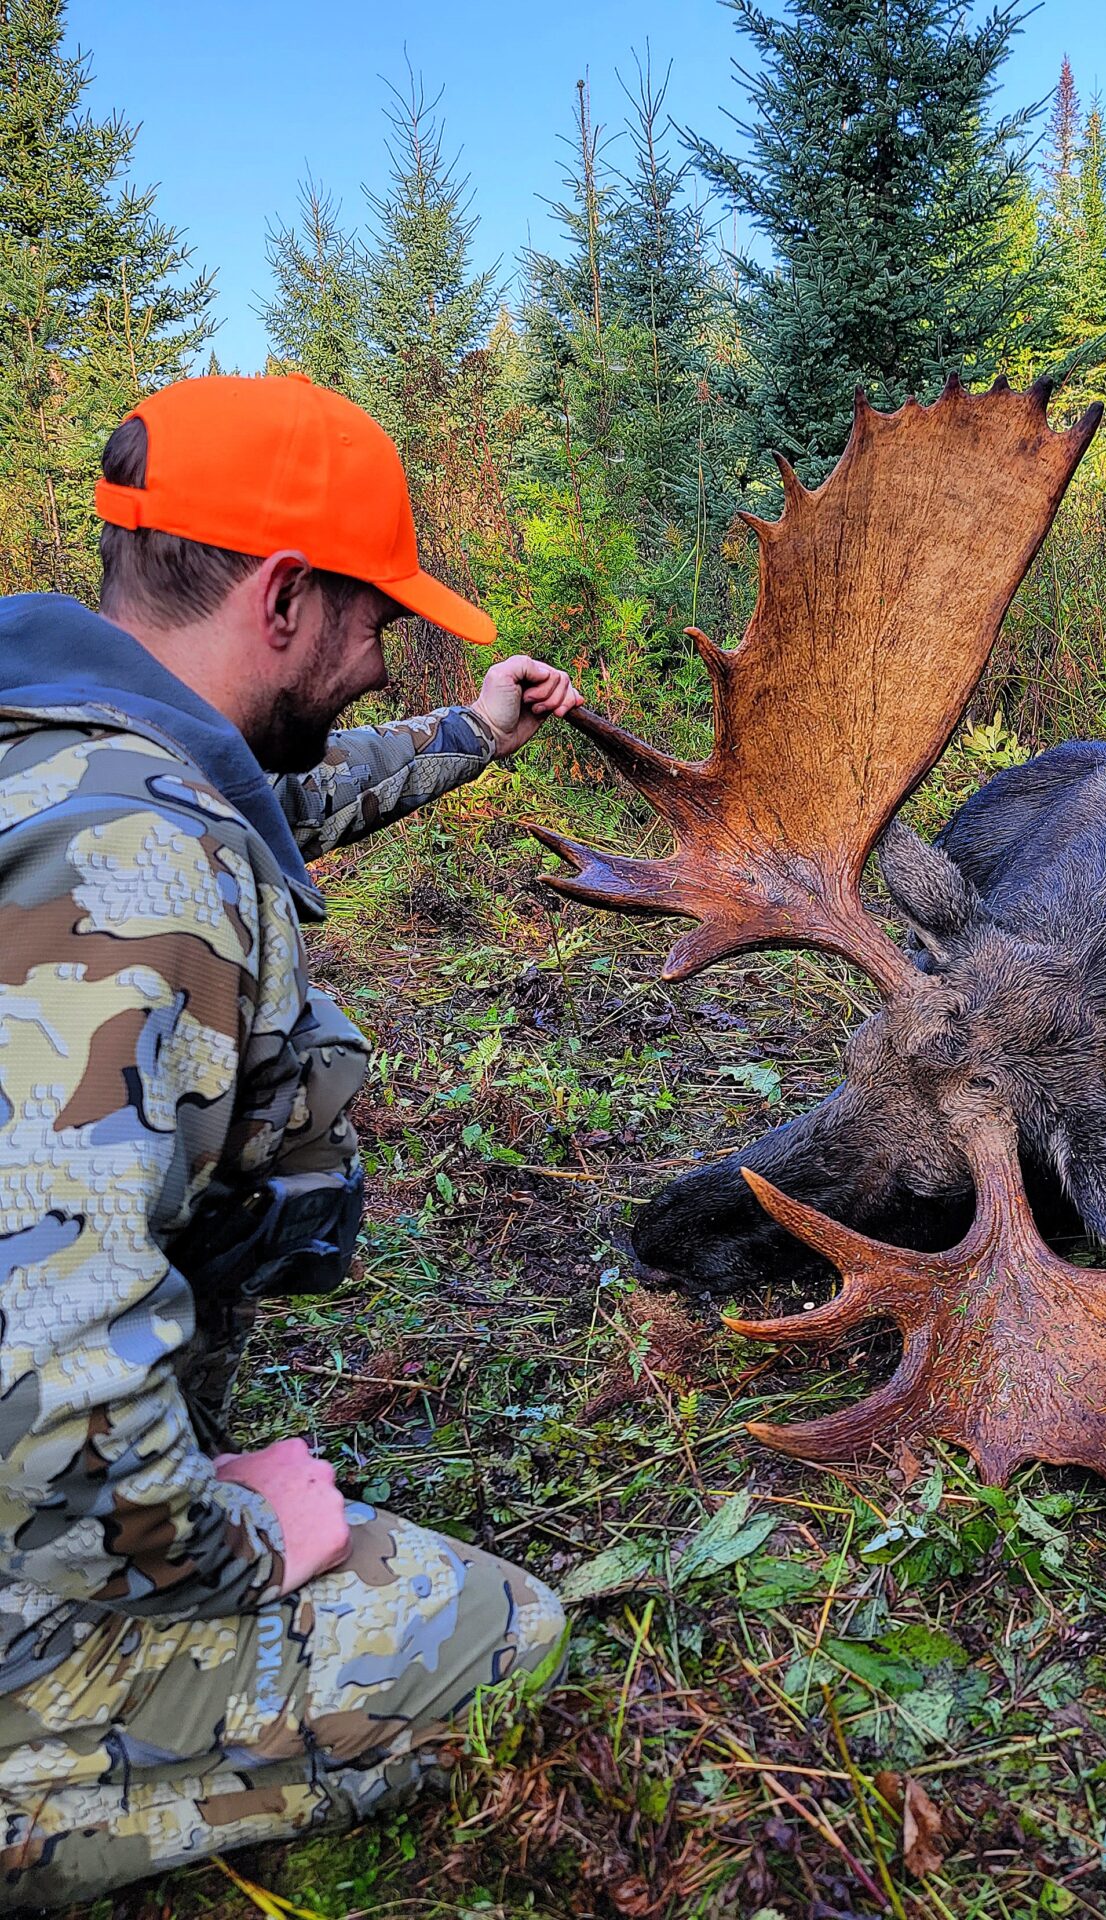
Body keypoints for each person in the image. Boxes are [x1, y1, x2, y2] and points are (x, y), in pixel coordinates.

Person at [0, 373, 579, 1906]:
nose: (382, 653)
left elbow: (271, 794)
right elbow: (35, 1362)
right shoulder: (135, 862)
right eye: (373, 615)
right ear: (279, 593)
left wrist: (473, 732)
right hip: (30, 1514)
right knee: (493, 1637)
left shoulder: (58, 747)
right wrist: (232, 1534)